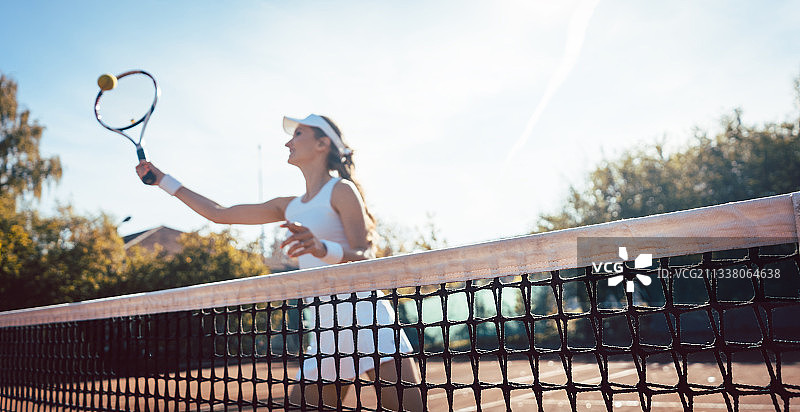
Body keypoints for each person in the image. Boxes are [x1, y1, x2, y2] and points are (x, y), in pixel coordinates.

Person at [135, 114, 423, 411]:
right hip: (325, 329)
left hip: (367, 320)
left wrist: (323, 248)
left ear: (323, 144)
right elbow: (219, 213)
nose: (288, 141)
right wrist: (162, 181)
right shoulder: (288, 206)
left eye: (298, 133)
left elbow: (366, 257)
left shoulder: (341, 190)